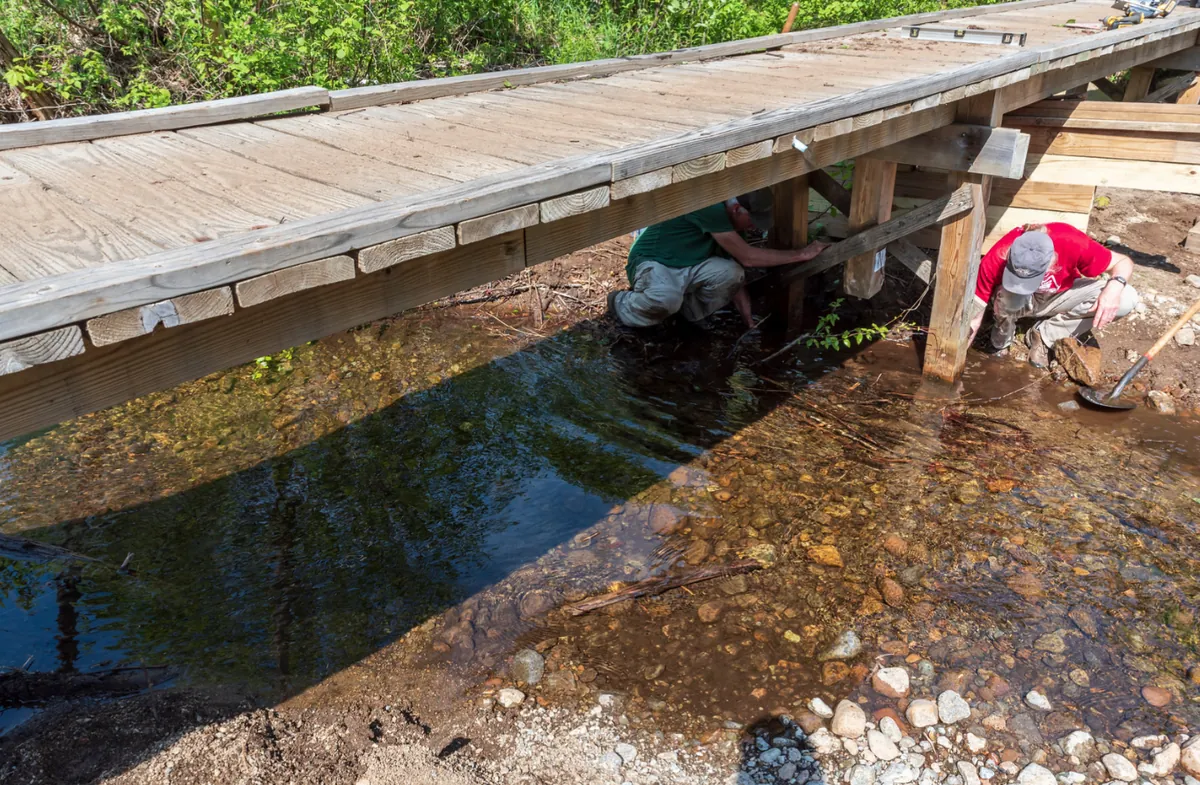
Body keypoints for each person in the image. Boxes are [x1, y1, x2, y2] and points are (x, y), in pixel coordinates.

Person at [607, 189, 828, 329]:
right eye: (753, 220)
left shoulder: (731, 222)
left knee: (733, 273)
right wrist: (801, 254)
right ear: (736, 209)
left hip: (690, 264)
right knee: (665, 299)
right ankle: (621, 304)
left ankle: (688, 317)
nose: (754, 227)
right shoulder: (709, 208)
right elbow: (749, 257)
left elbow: (737, 273)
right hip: (655, 261)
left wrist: (747, 319)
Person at [969, 222, 1138, 368]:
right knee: (1006, 296)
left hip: (1058, 296)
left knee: (1126, 298)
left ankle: (1044, 336)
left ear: (1052, 260)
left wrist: (1114, 287)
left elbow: (1123, 261)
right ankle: (1001, 342)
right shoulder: (997, 256)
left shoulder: (1072, 242)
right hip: (1015, 302)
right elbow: (974, 318)